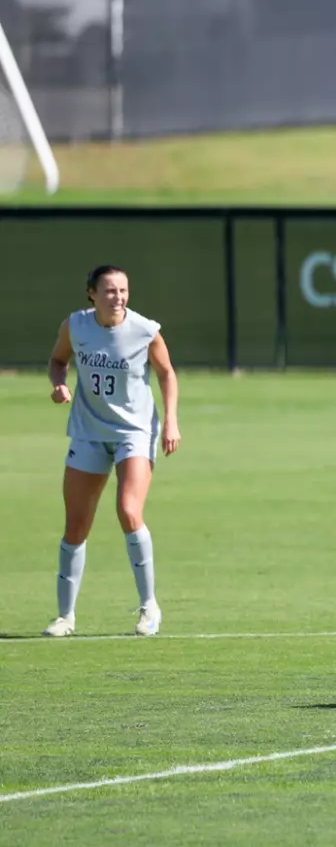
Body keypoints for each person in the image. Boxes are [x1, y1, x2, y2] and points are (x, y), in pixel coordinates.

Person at [43, 265, 182, 637]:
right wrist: (58, 385)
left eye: (123, 290)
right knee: (76, 525)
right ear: (91, 293)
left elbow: (166, 372)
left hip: (134, 431)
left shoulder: (144, 330)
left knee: (128, 510)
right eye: (109, 290)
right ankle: (65, 617)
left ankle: (149, 607)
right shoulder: (75, 326)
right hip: (89, 432)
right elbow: (58, 361)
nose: (117, 297)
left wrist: (171, 421)